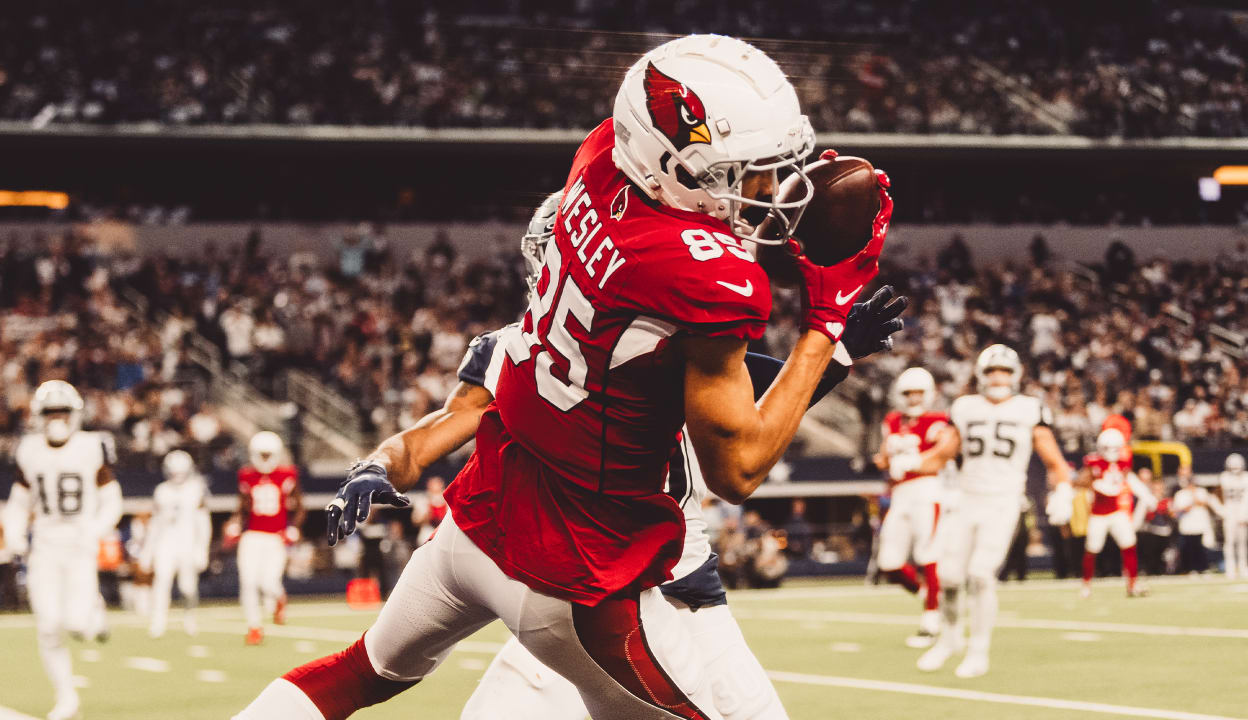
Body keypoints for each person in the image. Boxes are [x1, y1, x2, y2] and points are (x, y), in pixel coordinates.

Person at [234, 33, 895, 720]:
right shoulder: (704, 275)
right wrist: (827, 322)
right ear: (669, 164)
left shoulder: (603, 160)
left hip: (479, 519)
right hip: (581, 573)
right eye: (740, 171)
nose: (763, 190)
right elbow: (738, 470)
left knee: (358, 673)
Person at [917, 344, 1072, 679]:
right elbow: (944, 453)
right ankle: (950, 639)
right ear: (981, 375)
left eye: (1003, 370)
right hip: (965, 498)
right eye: (991, 371)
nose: (998, 377)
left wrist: (1063, 488)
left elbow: (1054, 460)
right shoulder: (965, 406)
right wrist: (911, 463)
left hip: (1002, 501)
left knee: (981, 575)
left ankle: (979, 650)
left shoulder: (1030, 408)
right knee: (948, 577)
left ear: (1015, 375)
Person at [3, 381, 122, 720]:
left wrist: (96, 529)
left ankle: (94, 613)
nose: (57, 418)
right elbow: (19, 500)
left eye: (62, 411)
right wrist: (15, 532)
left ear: (75, 414)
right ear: (39, 417)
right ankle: (66, 696)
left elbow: (111, 498)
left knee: (76, 624)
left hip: (80, 542)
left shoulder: (91, 446)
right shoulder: (28, 449)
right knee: (47, 624)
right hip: (44, 544)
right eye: (50, 412)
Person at [871, 367, 958, 647]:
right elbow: (885, 457)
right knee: (889, 562)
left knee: (927, 554)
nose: (913, 398)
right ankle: (928, 596)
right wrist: (883, 462)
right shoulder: (893, 420)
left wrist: (916, 462)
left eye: (919, 392)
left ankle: (931, 620)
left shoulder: (938, 420)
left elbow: (945, 451)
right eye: (908, 392)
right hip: (899, 493)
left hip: (926, 490)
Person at [229, 430, 304, 645]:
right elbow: (243, 506)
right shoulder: (246, 475)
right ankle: (254, 627)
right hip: (251, 535)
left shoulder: (288, 475)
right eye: (260, 454)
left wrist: (294, 528)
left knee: (269, 581)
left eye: (267, 454)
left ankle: (279, 598)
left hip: (275, 537)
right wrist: (234, 524)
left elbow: (300, 507)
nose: (263, 459)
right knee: (248, 581)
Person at [142, 449, 212, 638]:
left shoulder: (196, 490)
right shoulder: (162, 491)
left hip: (187, 543)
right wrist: (148, 551)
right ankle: (158, 622)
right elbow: (155, 523)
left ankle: (190, 617)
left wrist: (202, 549)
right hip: (166, 543)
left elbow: (203, 522)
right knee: (161, 582)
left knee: (187, 587)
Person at [1078, 428, 1155, 597]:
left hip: (1116, 512)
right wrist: (1093, 484)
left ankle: (1132, 584)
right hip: (1098, 514)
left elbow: (1130, 480)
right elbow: (1081, 481)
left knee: (1129, 544)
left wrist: (1146, 496)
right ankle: (1086, 584)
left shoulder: (1122, 463)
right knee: (1092, 549)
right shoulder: (1093, 462)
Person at [1172, 469, 1222, 574]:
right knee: (1189, 549)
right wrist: (1188, 506)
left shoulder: (1201, 491)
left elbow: (1205, 503)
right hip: (1187, 527)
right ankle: (1190, 569)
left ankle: (1203, 568)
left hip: (1200, 526)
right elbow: (1177, 511)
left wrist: (1194, 496)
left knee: (1202, 549)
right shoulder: (1180, 494)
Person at [1219, 453, 1248, 579]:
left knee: (1242, 542)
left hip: (1242, 513)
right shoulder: (1224, 477)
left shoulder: (1246, 478)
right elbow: (1221, 495)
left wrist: (1244, 515)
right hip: (1230, 512)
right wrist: (1223, 512)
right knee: (1229, 542)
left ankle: (1243, 567)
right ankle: (1230, 568)